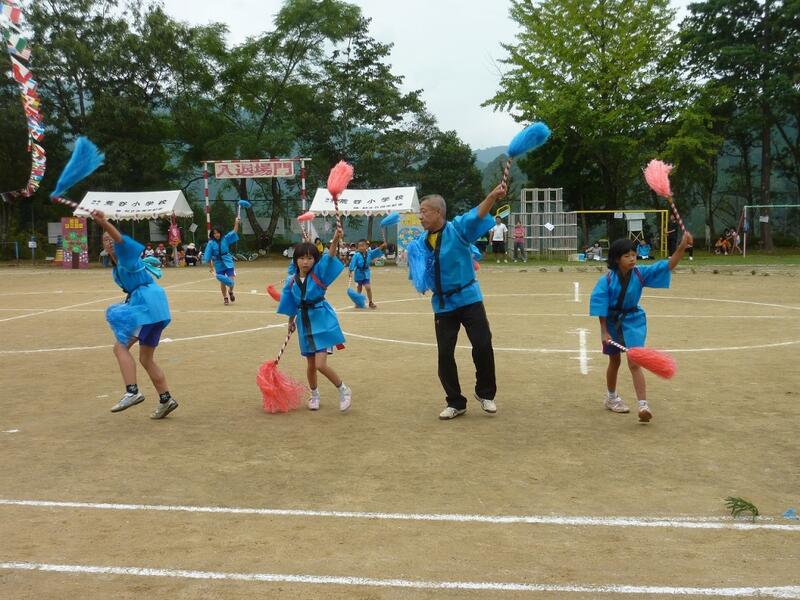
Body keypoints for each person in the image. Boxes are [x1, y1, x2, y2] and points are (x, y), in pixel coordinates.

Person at [407, 183, 507, 420]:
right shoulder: (421, 243)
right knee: (445, 354)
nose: (420, 217)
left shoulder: (458, 230)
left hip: (469, 298)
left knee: (483, 344)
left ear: (438, 212)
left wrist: (492, 196)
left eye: (424, 211)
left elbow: (476, 215)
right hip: (443, 305)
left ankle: (485, 393)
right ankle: (455, 402)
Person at [589, 232, 693, 423]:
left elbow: (667, 265)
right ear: (616, 259)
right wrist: (604, 331)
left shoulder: (640, 274)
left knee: (635, 361)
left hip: (634, 320)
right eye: (626, 256)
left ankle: (643, 405)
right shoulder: (607, 280)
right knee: (614, 361)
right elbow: (600, 305)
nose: (632, 259)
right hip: (612, 322)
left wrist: (681, 248)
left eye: (634, 255)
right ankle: (611, 398)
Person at [91, 210, 178, 419]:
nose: (109, 241)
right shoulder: (117, 266)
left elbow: (120, 240)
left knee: (120, 347)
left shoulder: (127, 257)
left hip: (147, 306)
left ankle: (132, 391)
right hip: (154, 307)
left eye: (111, 238)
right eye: (105, 239)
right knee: (146, 359)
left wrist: (104, 223)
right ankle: (166, 399)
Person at [277, 226, 352, 412]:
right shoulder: (291, 281)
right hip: (304, 324)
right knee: (311, 365)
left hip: (322, 321)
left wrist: (335, 238)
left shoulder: (319, 273)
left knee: (320, 364)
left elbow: (330, 256)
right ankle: (314, 394)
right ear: (295, 260)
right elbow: (292, 304)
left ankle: (343, 390)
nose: (306, 262)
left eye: (310, 258)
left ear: (315, 260)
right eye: (302, 258)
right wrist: (290, 322)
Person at [204, 218, 240, 305]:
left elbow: (234, 231)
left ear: (220, 233)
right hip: (218, 263)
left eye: (217, 232)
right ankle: (225, 297)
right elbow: (208, 257)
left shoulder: (225, 238)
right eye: (214, 233)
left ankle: (230, 291)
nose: (216, 234)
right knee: (223, 281)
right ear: (212, 234)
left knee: (231, 280)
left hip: (228, 261)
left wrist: (236, 222)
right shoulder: (211, 243)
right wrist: (211, 267)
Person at [349, 238, 387, 309]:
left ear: (366, 246)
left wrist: (382, 246)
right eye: (359, 246)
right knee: (359, 289)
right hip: (358, 274)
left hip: (366, 273)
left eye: (362, 246)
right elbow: (353, 263)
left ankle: (370, 302)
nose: (361, 247)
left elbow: (376, 251)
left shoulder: (369, 253)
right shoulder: (356, 255)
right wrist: (351, 271)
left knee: (368, 288)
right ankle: (358, 303)